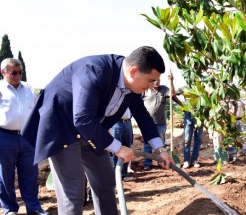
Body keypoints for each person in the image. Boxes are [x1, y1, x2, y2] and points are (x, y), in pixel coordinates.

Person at [21, 46, 174, 215]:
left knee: (105, 181)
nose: (152, 85)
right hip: (62, 129)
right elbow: (82, 119)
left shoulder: (132, 87)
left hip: (92, 131)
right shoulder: (94, 71)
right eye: (151, 80)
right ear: (134, 72)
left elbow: (143, 117)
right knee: (73, 190)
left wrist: (160, 149)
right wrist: (119, 148)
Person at [0, 58, 49, 215]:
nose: (18, 75)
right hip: (4, 136)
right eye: (14, 72)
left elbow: (37, 110)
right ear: (3, 72)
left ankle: (33, 207)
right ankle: (10, 209)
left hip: (27, 137)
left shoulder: (28, 87)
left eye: (20, 72)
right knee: (5, 175)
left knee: (30, 174)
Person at [142, 72, 181, 170]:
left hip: (160, 123)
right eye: (154, 80)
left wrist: (171, 81)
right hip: (147, 122)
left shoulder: (164, 89)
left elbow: (172, 94)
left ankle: (161, 162)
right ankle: (147, 163)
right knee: (147, 144)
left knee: (160, 144)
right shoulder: (145, 90)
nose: (156, 82)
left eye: (158, 80)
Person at [109, 108, 133, 180]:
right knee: (115, 150)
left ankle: (123, 174)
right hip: (116, 123)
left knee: (126, 149)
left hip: (128, 122)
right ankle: (115, 175)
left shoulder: (130, 97)